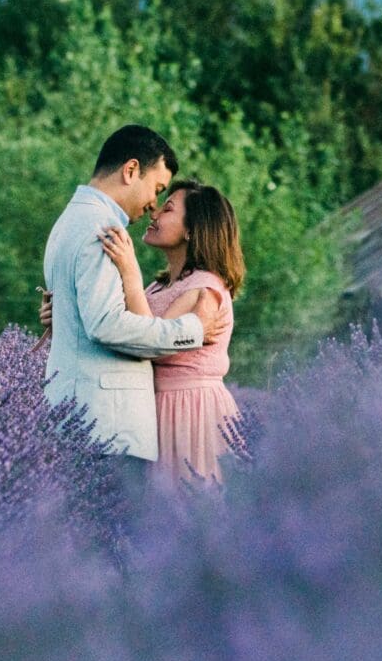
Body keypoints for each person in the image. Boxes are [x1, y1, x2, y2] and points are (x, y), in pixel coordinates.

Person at [41, 125, 226, 491]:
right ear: (130, 171)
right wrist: (191, 330)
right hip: (105, 425)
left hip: (78, 418)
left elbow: (84, 316)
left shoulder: (69, 221)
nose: (154, 205)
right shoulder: (102, 229)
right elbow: (107, 324)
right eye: (156, 189)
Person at [98, 179, 243, 488]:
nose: (154, 214)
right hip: (159, 408)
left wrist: (129, 272)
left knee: (186, 503)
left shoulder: (205, 287)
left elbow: (149, 340)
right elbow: (123, 330)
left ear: (192, 230)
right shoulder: (161, 285)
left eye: (168, 209)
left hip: (190, 411)